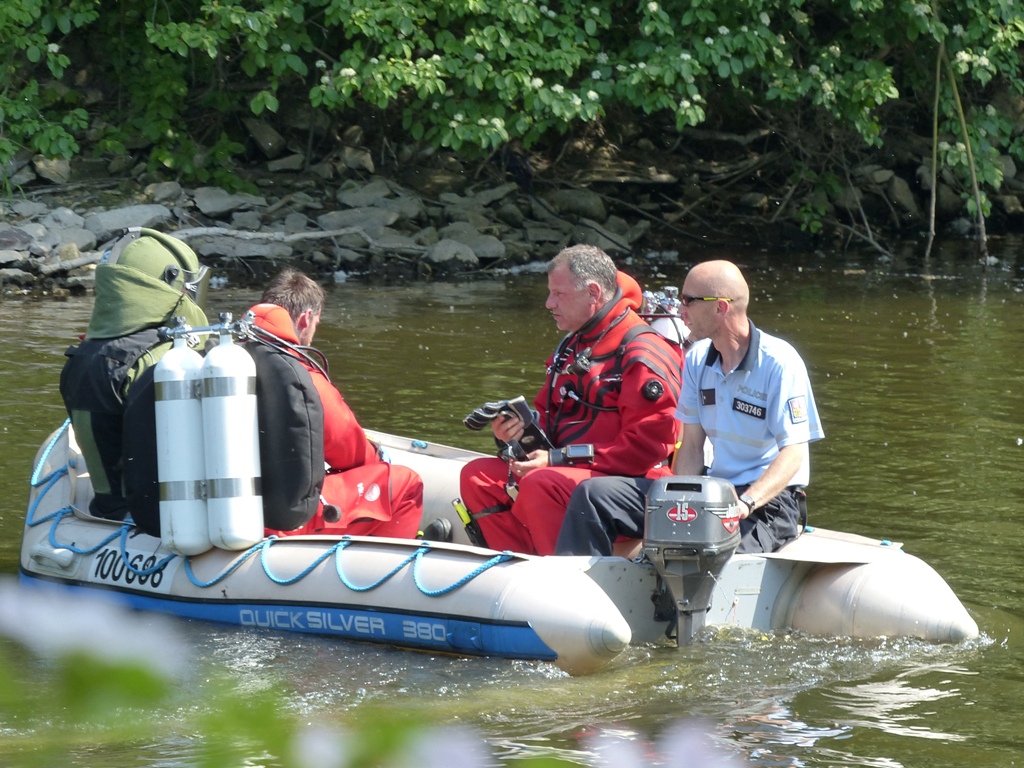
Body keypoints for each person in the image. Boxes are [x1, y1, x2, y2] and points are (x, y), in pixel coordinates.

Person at [555, 259, 824, 556]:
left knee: (700, 551)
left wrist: (746, 503)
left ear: (720, 307)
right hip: (713, 491)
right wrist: (676, 502)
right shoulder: (697, 360)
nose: (680, 310)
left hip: (767, 504)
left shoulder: (780, 362)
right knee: (593, 495)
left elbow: (794, 453)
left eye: (689, 301)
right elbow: (693, 447)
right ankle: (580, 589)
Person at [458, 244, 683, 555]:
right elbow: (549, 415)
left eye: (558, 294)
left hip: (634, 486)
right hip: (569, 472)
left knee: (542, 483)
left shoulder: (642, 352)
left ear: (592, 293)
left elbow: (643, 450)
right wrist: (518, 434)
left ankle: (560, 583)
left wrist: (557, 459)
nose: (549, 303)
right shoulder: (573, 344)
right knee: (477, 476)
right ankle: (518, 568)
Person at [248, 268, 423, 538]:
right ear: (306, 319)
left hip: (229, 507)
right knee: (405, 483)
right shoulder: (301, 378)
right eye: (317, 322)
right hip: (279, 517)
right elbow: (353, 455)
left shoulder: (227, 358)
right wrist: (377, 458)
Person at [60, 227, 210, 523]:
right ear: (165, 284)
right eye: (187, 288)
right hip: (157, 515)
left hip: (107, 507)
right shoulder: (162, 357)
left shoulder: (82, 355)